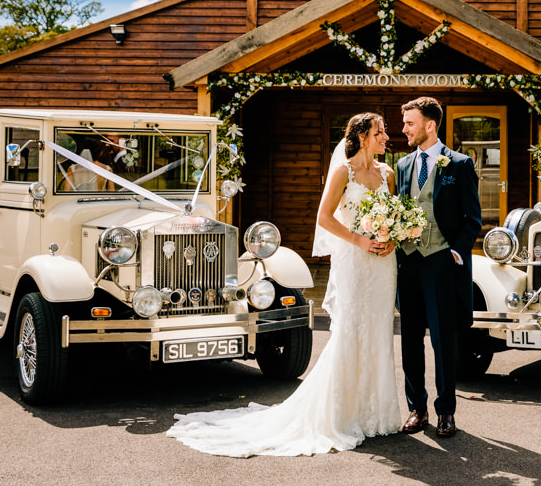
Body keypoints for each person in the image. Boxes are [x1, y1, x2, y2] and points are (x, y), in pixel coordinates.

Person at [167, 113, 400, 457]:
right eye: (380, 132)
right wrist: (359, 241)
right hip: (354, 260)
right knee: (351, 330)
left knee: (380, 329)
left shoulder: (387, 174)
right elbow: (324, 218)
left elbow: (393, 213)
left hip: (383, 262)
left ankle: (377, 413)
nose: (386, 136)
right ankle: (342, 413)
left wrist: (391, 237)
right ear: (363, 136)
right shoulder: (343, 172)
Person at [395, 96, 482, 439]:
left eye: (409, 123)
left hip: (441, 263)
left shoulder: (459, 165)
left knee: (443, 341)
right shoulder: (403, 165)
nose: (404, 129)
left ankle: (446, 411)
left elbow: (472, 219)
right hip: (409, 263)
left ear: (430, 126)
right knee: (410, 340)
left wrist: (454, 255)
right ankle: (417, 409)